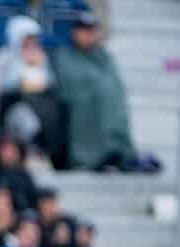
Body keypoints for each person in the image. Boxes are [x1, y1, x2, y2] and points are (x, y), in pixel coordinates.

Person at [53, 11, 142, 172]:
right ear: (74, 32)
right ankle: (87, 157)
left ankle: (114, 152)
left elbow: (114, 85)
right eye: (83, 30)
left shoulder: (104, 56)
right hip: (80, 109)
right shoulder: (64, 56)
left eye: (91, 31)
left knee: (112, 100)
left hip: (106, 108)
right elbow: (69, 83)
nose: (88, 35)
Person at [0, 16, 61, 161]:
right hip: (8, 109)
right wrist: (19, 72)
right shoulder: (3, 57)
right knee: (28, 121)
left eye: (34, 38)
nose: (31, 42)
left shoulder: (41, 58)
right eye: (27, 38)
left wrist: (39, 67)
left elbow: (50, 85)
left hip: (40, 107)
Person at [0, 135, 38, 213]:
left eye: (12, 150)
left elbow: (31, 200)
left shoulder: (25, 176)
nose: (8, 154)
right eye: (4, 150)